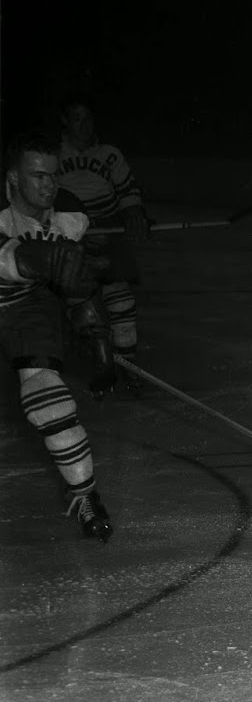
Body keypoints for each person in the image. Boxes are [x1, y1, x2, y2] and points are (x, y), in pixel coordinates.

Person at [0, 131, 115, 540]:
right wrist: (37, 256)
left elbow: (78, 281)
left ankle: (85, 494)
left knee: (47, 397)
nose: (49, 186)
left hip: (27, 307)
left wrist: (95, 330)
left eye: (53, 175)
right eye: (37, 177)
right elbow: (10, 258)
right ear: (13, 178)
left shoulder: (69, 214)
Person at [56, 102, 144, 392]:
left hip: (107, 233)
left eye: (88, 118)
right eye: (77, 118)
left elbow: (128, 192)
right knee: (76, 303)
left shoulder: (109, 154)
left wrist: (133, 215)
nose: (84, 124)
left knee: (120, 298)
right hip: (68, 236)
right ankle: (95, 362)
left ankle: (127, 366)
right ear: (65, 121)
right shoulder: (52, 154)